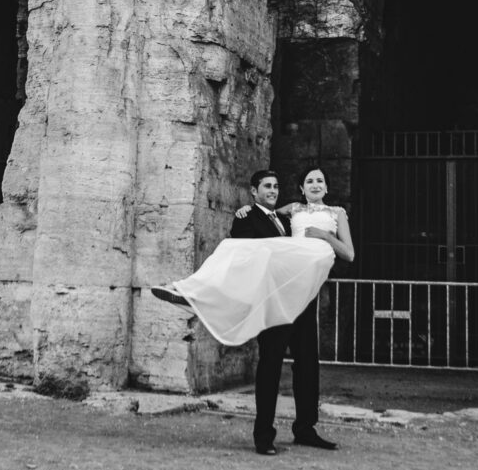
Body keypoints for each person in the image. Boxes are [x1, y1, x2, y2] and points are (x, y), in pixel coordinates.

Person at [152, 166, 354, 454]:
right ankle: (264, 436)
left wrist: (320, 234)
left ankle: (306, 428)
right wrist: (247, 209)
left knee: (308, 364)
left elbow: (347, 253)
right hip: (275, 300)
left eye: (275, 186)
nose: (272, 191)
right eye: (309, 180)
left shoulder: (291, 217)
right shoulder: (266, 213)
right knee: (270, 363)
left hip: (304, 298)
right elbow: (245, 253)